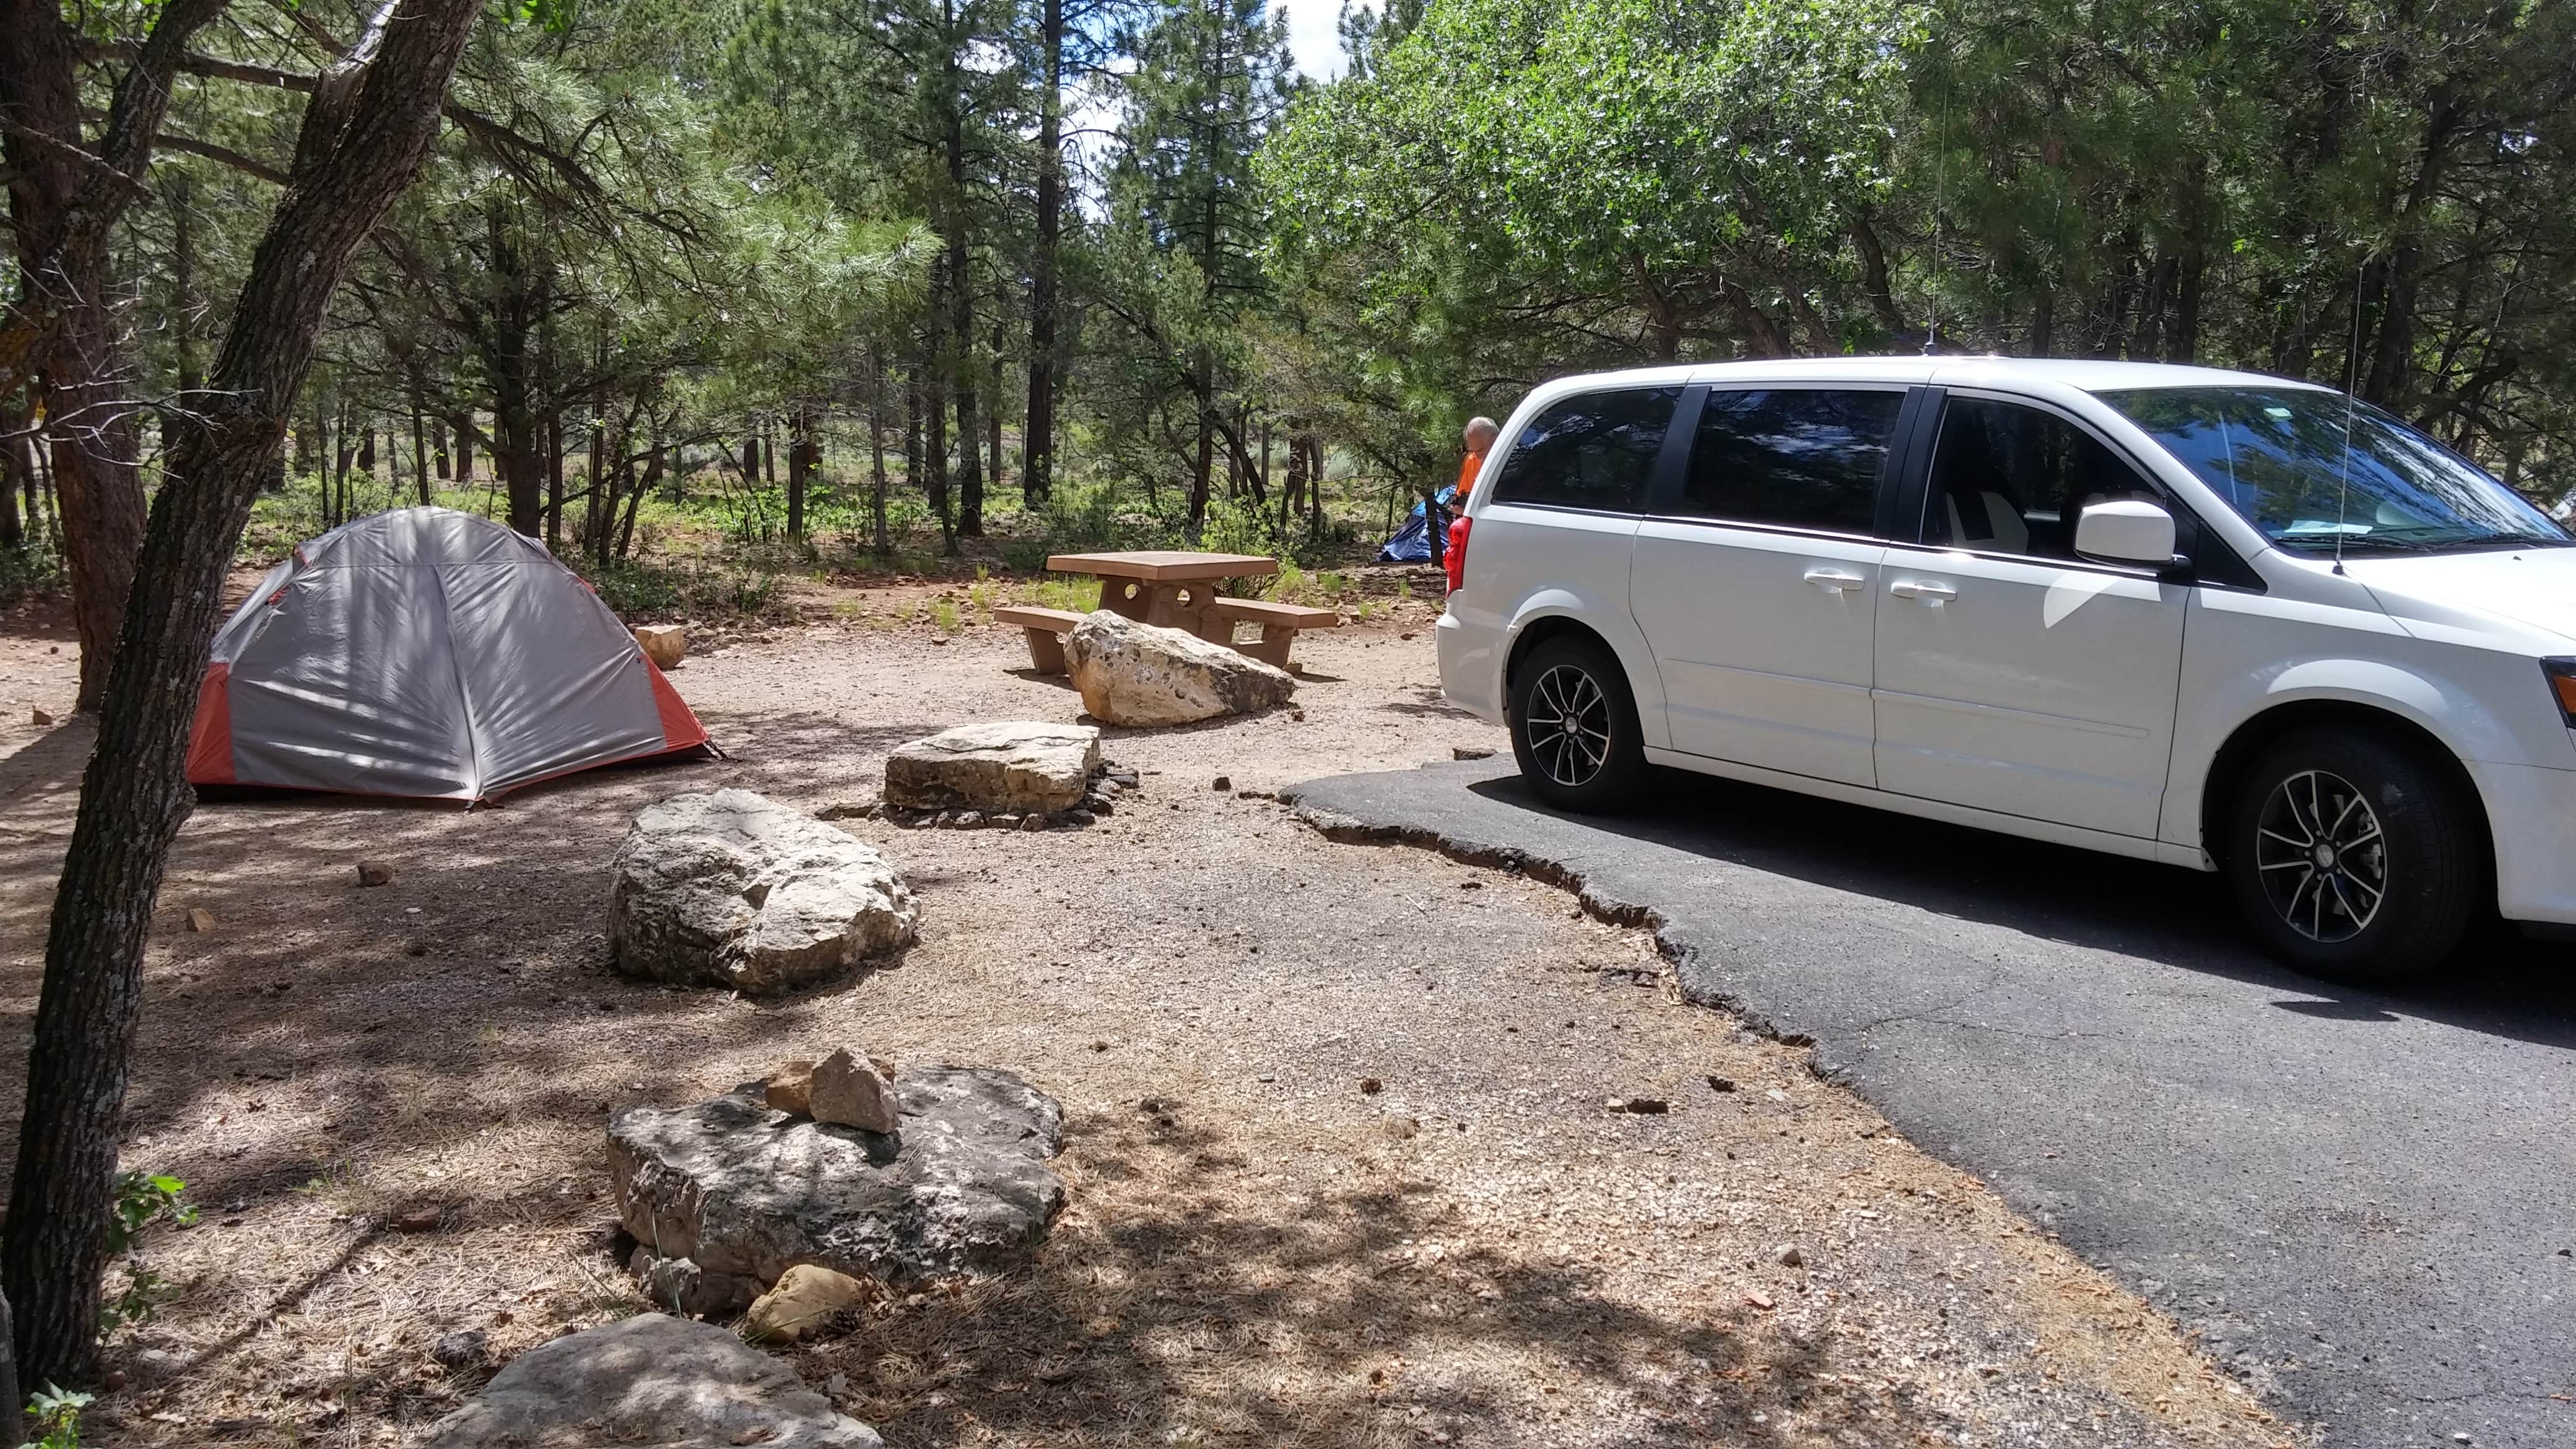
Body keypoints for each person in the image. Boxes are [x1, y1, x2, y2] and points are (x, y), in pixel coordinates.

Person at [1445, 416, 1499, 593]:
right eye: (1473, 451)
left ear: (1496, 440)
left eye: (1481, 451)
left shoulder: (1515, 460)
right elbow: (1463, 496)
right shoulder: (1472, 460)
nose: (1477, 456)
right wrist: (1460, 508)